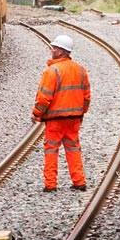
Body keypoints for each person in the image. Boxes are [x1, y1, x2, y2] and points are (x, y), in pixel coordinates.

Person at [32, 33, 91, 192]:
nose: (52, 49)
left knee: (51, 150)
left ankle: (50, 185)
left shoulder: (51, 71)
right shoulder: (81, 70)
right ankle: (79, 182)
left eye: (55, 47)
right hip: (74, 120)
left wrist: (37, 114)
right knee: (73, 148)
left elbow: (44, 98)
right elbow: (86, 96)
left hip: (55, 120)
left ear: (62, 51)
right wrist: (81, 113)